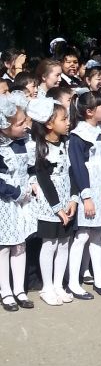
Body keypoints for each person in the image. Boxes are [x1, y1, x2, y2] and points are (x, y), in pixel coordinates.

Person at [29, 97, 77, 306]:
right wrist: (58, 209)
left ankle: (59, 284)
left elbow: (72, 173)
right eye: (63, 119)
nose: (68, 122)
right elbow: (44, 181)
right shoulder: (40, 148)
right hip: (50, 205)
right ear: (49, 124)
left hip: (67, 201)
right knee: (50, 244)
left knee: (64, 244)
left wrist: (73, 199)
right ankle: (47, 287)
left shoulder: (67, 143)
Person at [68, 91, 101, 299]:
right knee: (82, 236)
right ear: (89, 111)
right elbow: (78, 168)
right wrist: (86, 197)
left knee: (97, 234)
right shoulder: (78, 135)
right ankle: (73, 282)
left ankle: (98, 279)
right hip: (87, 189)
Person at [0, 94, 35, 311]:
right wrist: (15, 192)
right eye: (20, 124)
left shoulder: (24, 143)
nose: (25, 126)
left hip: (23, 199)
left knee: (20, 245)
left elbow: (30, 169)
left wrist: (31, 182)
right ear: (5, 127)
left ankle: (19, 289)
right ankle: (5, 291)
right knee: (4, 247)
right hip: (5, 201)